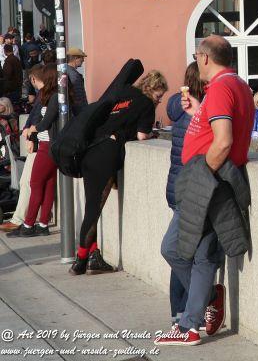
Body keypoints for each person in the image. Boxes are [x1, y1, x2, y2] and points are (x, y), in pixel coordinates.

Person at [157, 35, 255, 348]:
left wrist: (202, 175)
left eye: (197, 55)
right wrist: (198, 111)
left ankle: (190, 323)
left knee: (181, 250)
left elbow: (223, 140)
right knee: (191, 254)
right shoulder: (233, 84)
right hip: (212, 182)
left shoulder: (224, 86)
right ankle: (201, 309)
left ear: (204, 57)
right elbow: (216, 129)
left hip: (208, 184)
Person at [70, 70, 164, 275]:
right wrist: (152, 133)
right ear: (152, 89)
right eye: (159, 96)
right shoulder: (146, 104)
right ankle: (80, 260)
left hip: (90, 151)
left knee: (92, 206)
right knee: (94, 210)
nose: (159, 100)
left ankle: (93, 255)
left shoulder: (124, 93)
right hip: (106, 155)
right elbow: (141, 136)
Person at [164, 63, 202, 321]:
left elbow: (171, 108)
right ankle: (201, 301)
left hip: (175, 187)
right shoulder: (200, 109)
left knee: (179, 250)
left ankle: (178, 310)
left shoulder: (178, 105)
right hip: (193, 189)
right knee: (186, 253)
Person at [7, 64, 58, 237]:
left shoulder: (52, 97)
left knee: (35, 184)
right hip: (50, 146)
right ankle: (43, 224)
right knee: (48, 185)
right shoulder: (53, 96)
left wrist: (31, 131)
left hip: (46, 146)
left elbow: (45, 121)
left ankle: (28, 225)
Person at [66, 47, 88, 116]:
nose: (83, 60)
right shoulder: (74, 74)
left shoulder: (66, 70)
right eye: (82, 58)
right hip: (78, 111)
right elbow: (79, 96)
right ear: (75, 58)